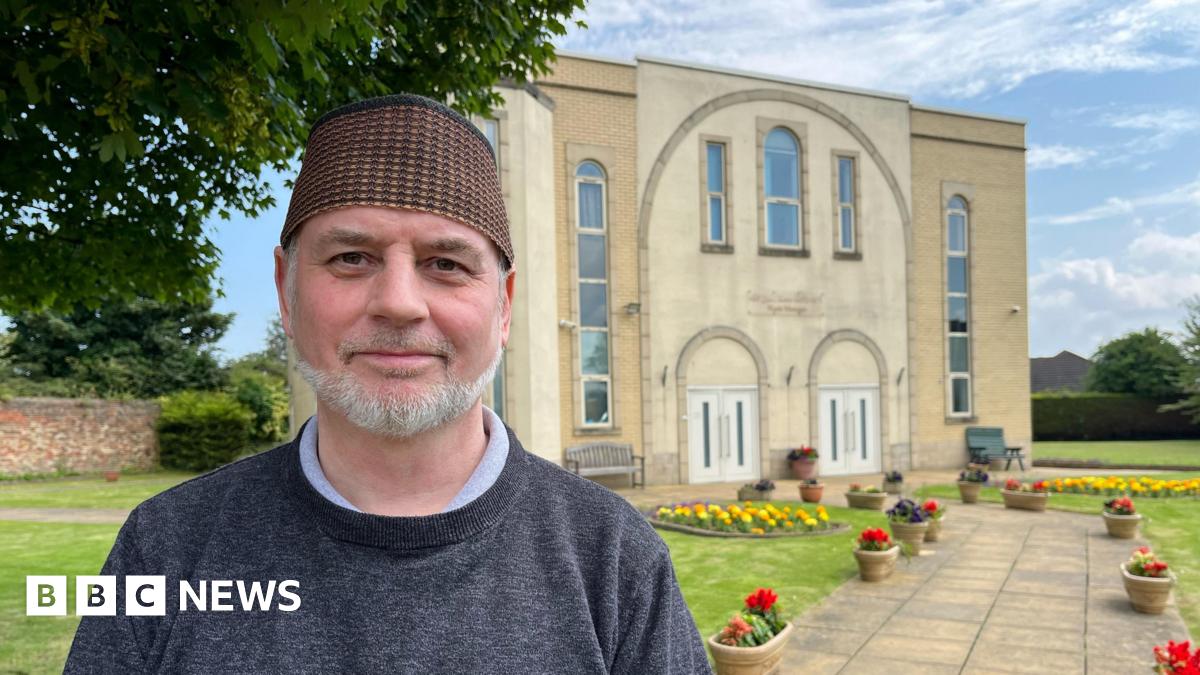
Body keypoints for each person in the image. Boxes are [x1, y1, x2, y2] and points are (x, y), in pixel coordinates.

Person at [65, 94, 711, 673]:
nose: (399, 302)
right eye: (352, 257)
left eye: (446, 263)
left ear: (505, 306)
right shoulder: (165, 549)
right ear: (286, 293)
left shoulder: (617, 563)